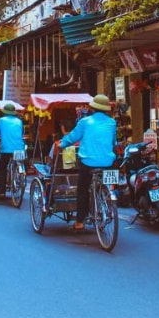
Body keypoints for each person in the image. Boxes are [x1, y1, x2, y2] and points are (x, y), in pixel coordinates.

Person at [58, 94, 116, 231]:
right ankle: (106, 199)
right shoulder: (112, 122)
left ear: (92, 108)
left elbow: (72, 137)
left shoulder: (85, 122)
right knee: (106, 183)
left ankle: (80, 221)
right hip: (108, 161)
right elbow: (113, 142)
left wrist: (62, 144)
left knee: (83, 190)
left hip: (88, 162)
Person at [0, 102, 24, 198]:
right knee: (19, 163)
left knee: (2, 168)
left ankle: (1, 191)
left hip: (6, 149)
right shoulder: (19, 121)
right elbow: (21, 133)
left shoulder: (1, 120)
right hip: (19, 149)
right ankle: (19, 175)